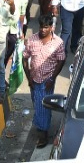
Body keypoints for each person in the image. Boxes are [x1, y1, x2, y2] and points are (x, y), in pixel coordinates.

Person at [23, 16, 66, 149]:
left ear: (51, 28)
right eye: (41, 26)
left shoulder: (58, 42)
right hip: (34, 79)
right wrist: (28, 76)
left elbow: (61, 60)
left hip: (47, 79)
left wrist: (52, 78)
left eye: (46, 27)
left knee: (43, 105)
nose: (43, 29)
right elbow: (25, 58)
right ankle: (42, 125)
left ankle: (43, 135)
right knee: (37, 103)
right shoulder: (32, 40)